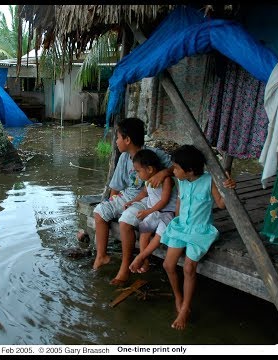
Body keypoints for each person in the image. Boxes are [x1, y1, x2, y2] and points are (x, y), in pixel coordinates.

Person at [159, 144, 236, 331]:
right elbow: (179, 201)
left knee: (188, 267)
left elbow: (221, 204)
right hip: (181, 227)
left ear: (190, 170)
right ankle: (178, 296)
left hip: (200, 230)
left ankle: (185, 308)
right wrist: (176, 220)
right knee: (168, 264)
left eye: (176, 167)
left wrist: (229, 188)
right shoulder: (182, 180)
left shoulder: (209, 181)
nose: (173, 170)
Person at [92, 117, 174, 285]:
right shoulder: (123, 158)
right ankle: (101, 256)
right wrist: (111, 204)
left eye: (118, 137)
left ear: (127, 140)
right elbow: (116, 186)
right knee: (99, 212)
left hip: (146, 199)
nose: (116, 141)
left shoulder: (153, 155)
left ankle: (125, 268)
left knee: (125, 221)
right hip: (128, 197)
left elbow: (176, 166)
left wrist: (163, 173)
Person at [125, 149, 178, 275]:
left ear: (149, 169)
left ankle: (141, 257)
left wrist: (148, 211)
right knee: (144, 231)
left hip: (167, 213)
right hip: (154, 212)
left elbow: (164, 201)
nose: (137, 174)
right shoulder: (147, 180)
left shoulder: (166, 180)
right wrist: (132, 201)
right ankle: (145, 260)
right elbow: (144, 193)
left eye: (138, 171)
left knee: (159, 234)